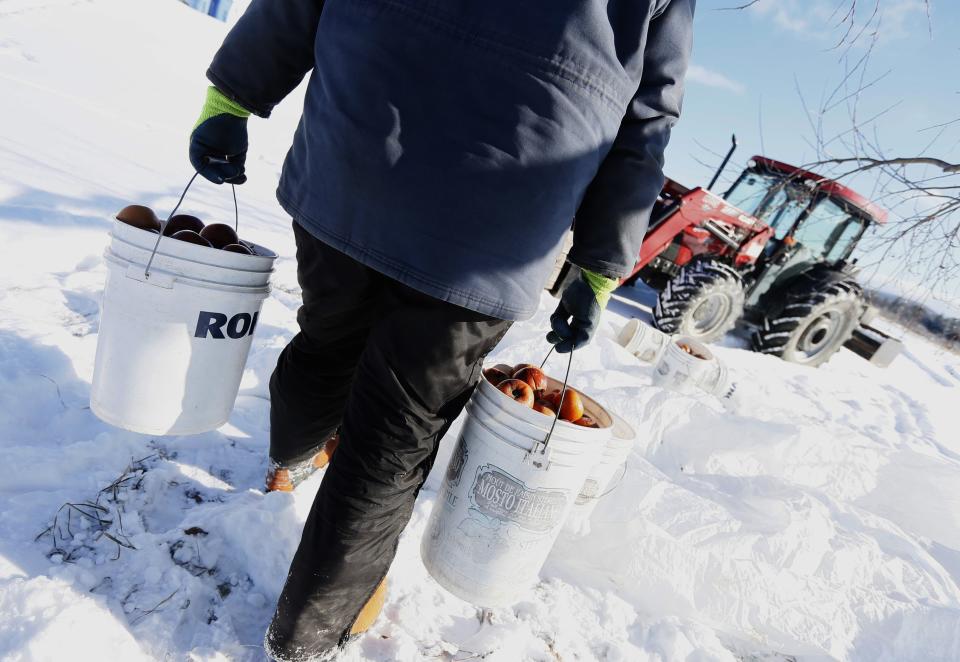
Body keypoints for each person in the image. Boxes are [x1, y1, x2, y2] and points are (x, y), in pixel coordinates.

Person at [189, 0, 694, 659]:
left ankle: (289, 460)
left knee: (327, 337)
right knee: (394, 437)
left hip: (353, 155)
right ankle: (307, 635)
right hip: (495, 226)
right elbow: (647, 119)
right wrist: (598, 266)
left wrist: (232, 97)